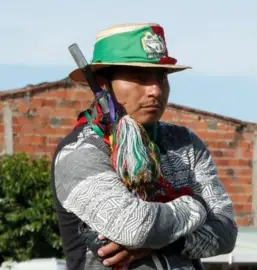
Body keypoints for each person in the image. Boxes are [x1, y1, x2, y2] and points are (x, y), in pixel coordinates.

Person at [51, 23, 238, 270]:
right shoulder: (80, 152)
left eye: (161, 77)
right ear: (102, 83)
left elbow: (225, 234)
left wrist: (158, 241)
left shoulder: (186, 144)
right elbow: (135, 227)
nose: (155, 90)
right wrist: (196, 204)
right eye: (139, 78)